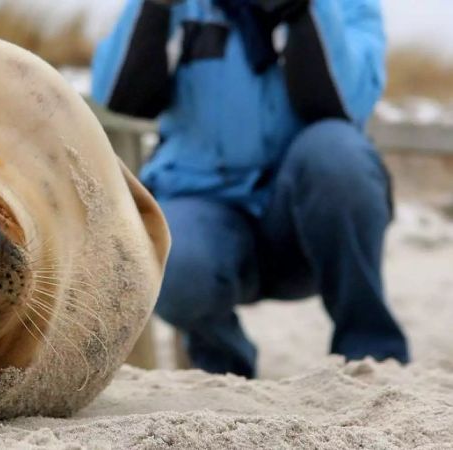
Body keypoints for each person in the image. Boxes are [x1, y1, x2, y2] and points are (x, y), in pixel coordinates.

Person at [91, 0, 409, 378]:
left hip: (307, 220)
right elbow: (118, 96)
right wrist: (156, 7)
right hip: (203, 205)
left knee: (338, 153)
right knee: (171, 257)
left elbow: (344, 104)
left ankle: (370, 354)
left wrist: (302, 10)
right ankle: (219, 367)